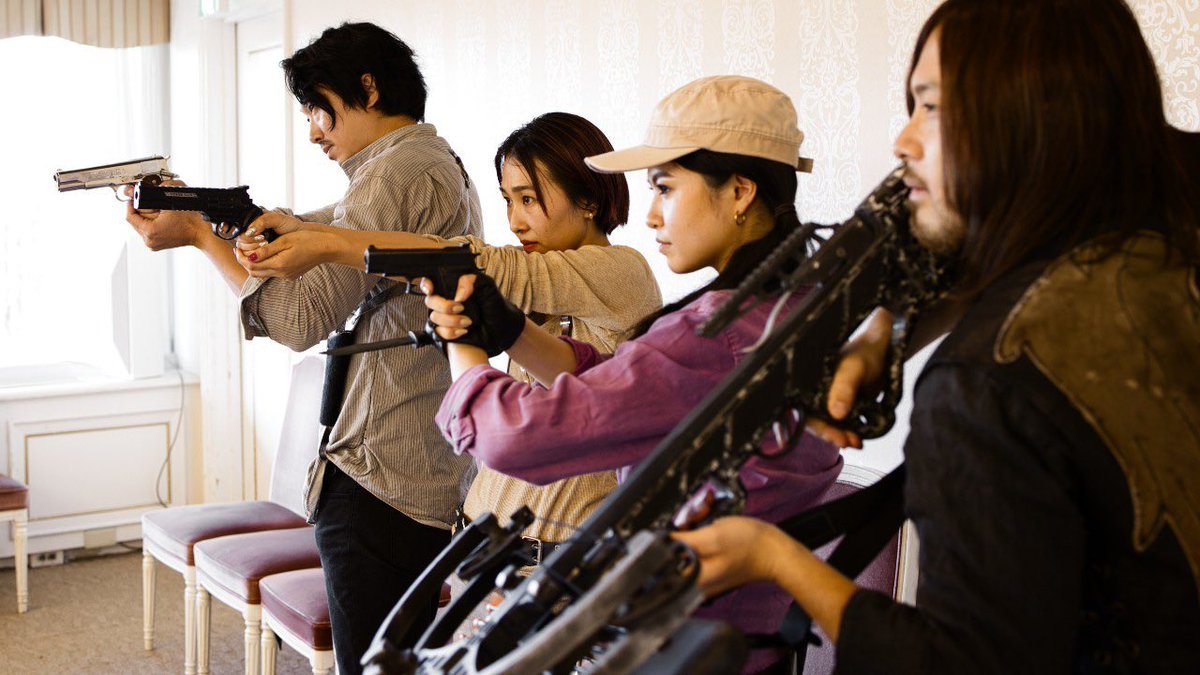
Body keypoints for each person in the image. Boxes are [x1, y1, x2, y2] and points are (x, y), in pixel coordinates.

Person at [674, 1, 1200, 672]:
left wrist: (773, 556)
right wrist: (890, 329)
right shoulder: (1172, 215)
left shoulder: (982, 384)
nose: (903, 141)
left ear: (1027, 113)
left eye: (931, 107)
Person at [422, 76, 840, 674]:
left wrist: (461, 343)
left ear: (739, 191)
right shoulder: (795, 310)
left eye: (665, 188)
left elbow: (513, 435)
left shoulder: (712, 335)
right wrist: (514, 332)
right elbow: (631, 384)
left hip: (676, 647)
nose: (650, 215)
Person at [126, 22, 482, 675]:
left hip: (381, 474)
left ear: (367, 89)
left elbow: (300, 319)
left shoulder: (398, 170)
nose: (314, 132)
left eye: (319, 109)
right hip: (409, 463)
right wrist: (214, 219)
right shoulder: (417, 165)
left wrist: (201, 238)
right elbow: (306, 239)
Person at [236, 112, 663, 588]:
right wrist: (305, 230)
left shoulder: (620, 271)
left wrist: (326, 245)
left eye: (528, 199)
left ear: (588, 200)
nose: (515, 221)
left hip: (550, 572)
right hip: (480, 551)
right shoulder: (542, 274)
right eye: (507, 200)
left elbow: (468, 261)